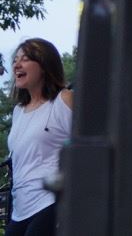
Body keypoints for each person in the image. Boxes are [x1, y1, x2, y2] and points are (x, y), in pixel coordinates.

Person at [7, 38, 72, 236]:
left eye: (25, 59)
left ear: (44, 66)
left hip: (50, 202)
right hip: (20, 207)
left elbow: (90, 146)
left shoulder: (63, 100)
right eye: (15, 59)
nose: (17, 64)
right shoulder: (19, 110)